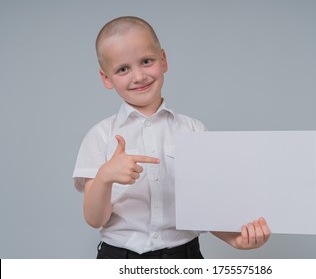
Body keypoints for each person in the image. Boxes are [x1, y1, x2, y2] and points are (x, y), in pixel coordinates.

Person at [73, 16, 270, 259]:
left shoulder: (194, 130)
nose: (138, 76)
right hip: (119, 257)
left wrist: (236, 239)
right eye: (123, 69)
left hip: (184, 256)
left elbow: (206, 206)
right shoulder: (100, 135)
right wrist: (105, 177)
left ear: (163, 60)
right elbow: (94, 220)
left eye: (146, 61)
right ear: (106, 78)